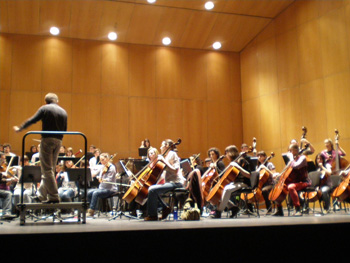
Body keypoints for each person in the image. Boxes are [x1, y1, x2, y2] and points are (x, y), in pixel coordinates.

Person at [13, 93, 68, 204]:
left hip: (47, 140)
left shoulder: (44, 108)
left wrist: (21, 127)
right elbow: (65, 129)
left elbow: (33, 119)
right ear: (57, 100)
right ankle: (42, 195)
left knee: (47, 170)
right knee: (50, 170)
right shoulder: (63, 111)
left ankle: (54, 196)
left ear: (46, 101)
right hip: (59, 141)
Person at [144, 140, 185, 221]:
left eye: (162, 145)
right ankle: (165, 207)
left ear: (167, 145)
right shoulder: (166, 156)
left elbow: (175, 171)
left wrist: (163, 161)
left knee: (152, 190)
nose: (160, 147)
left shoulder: (172, 154)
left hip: (176, 182)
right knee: (151, 189)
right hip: (169, 182)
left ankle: (153, 215)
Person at [210, 145, 252, 218]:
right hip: (236, 183)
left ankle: (219, 211)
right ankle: (233, 207)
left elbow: (249, 175)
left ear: (231, 153)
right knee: (219, 189)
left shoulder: (242, 160)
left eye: (227, 153)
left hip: (244, 183)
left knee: (227, 189)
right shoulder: (233, 162)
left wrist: (237, 166)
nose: (226, 156)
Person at [273, 144, 311, 217]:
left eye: (290, 151)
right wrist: (278, 176)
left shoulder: (302, 158)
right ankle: (279, 209)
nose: (289, 152)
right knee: (279, 188)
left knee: (290, 187)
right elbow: (285, 170)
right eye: (289, 151)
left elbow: (296, 166)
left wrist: (290, 159)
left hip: (303, 182)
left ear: (296, 150)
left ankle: (298, 209)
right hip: (294, 181)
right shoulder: (292, 160)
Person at [87, 153, 117, 217]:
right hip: (102, 188)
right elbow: (96, 175)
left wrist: (102, 180)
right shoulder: (103, 167)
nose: (101, 161)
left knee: (95, 193)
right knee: (89, 192)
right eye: (100, 160)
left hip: (110, 189)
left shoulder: (112, 168)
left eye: (102, 160)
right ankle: (89, 209)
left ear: (107, 159)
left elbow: (109, 180)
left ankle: (92, 211)